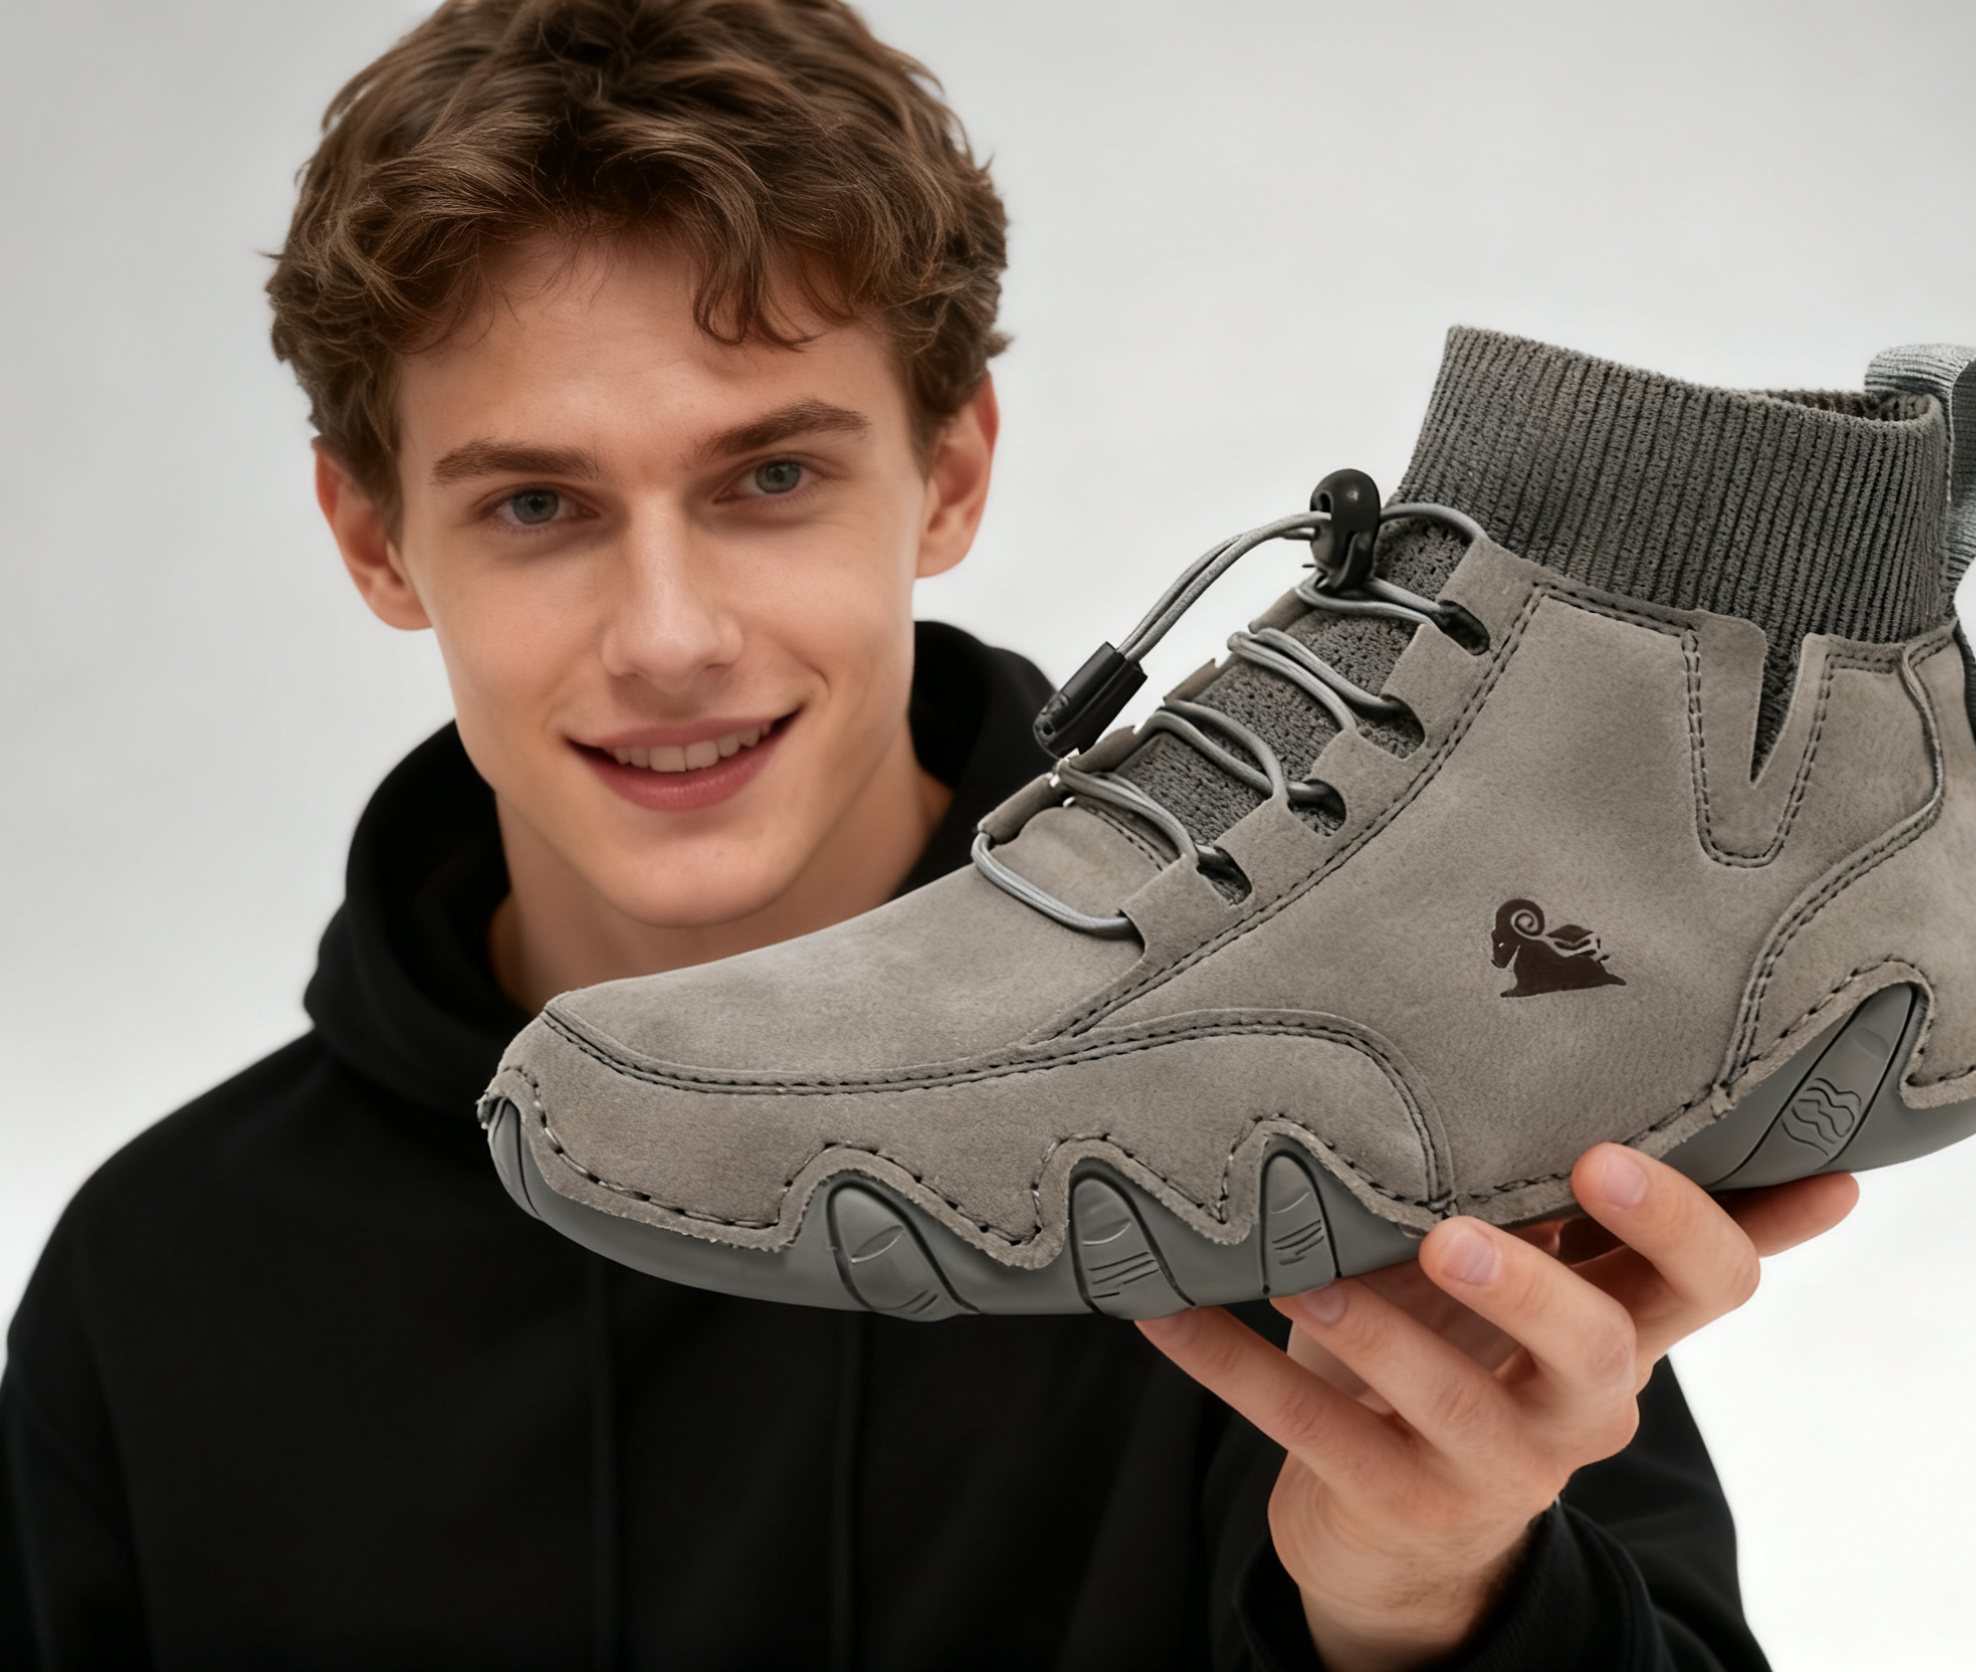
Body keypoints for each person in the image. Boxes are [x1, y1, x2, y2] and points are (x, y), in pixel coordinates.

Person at [0, 2, 1855, 1665]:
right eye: (540, 506)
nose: (669, 637)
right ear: (375, 537)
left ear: (951, 470)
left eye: (770, 475)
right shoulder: (161, 1287)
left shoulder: (1335, 1114)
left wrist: (1426, 1606)